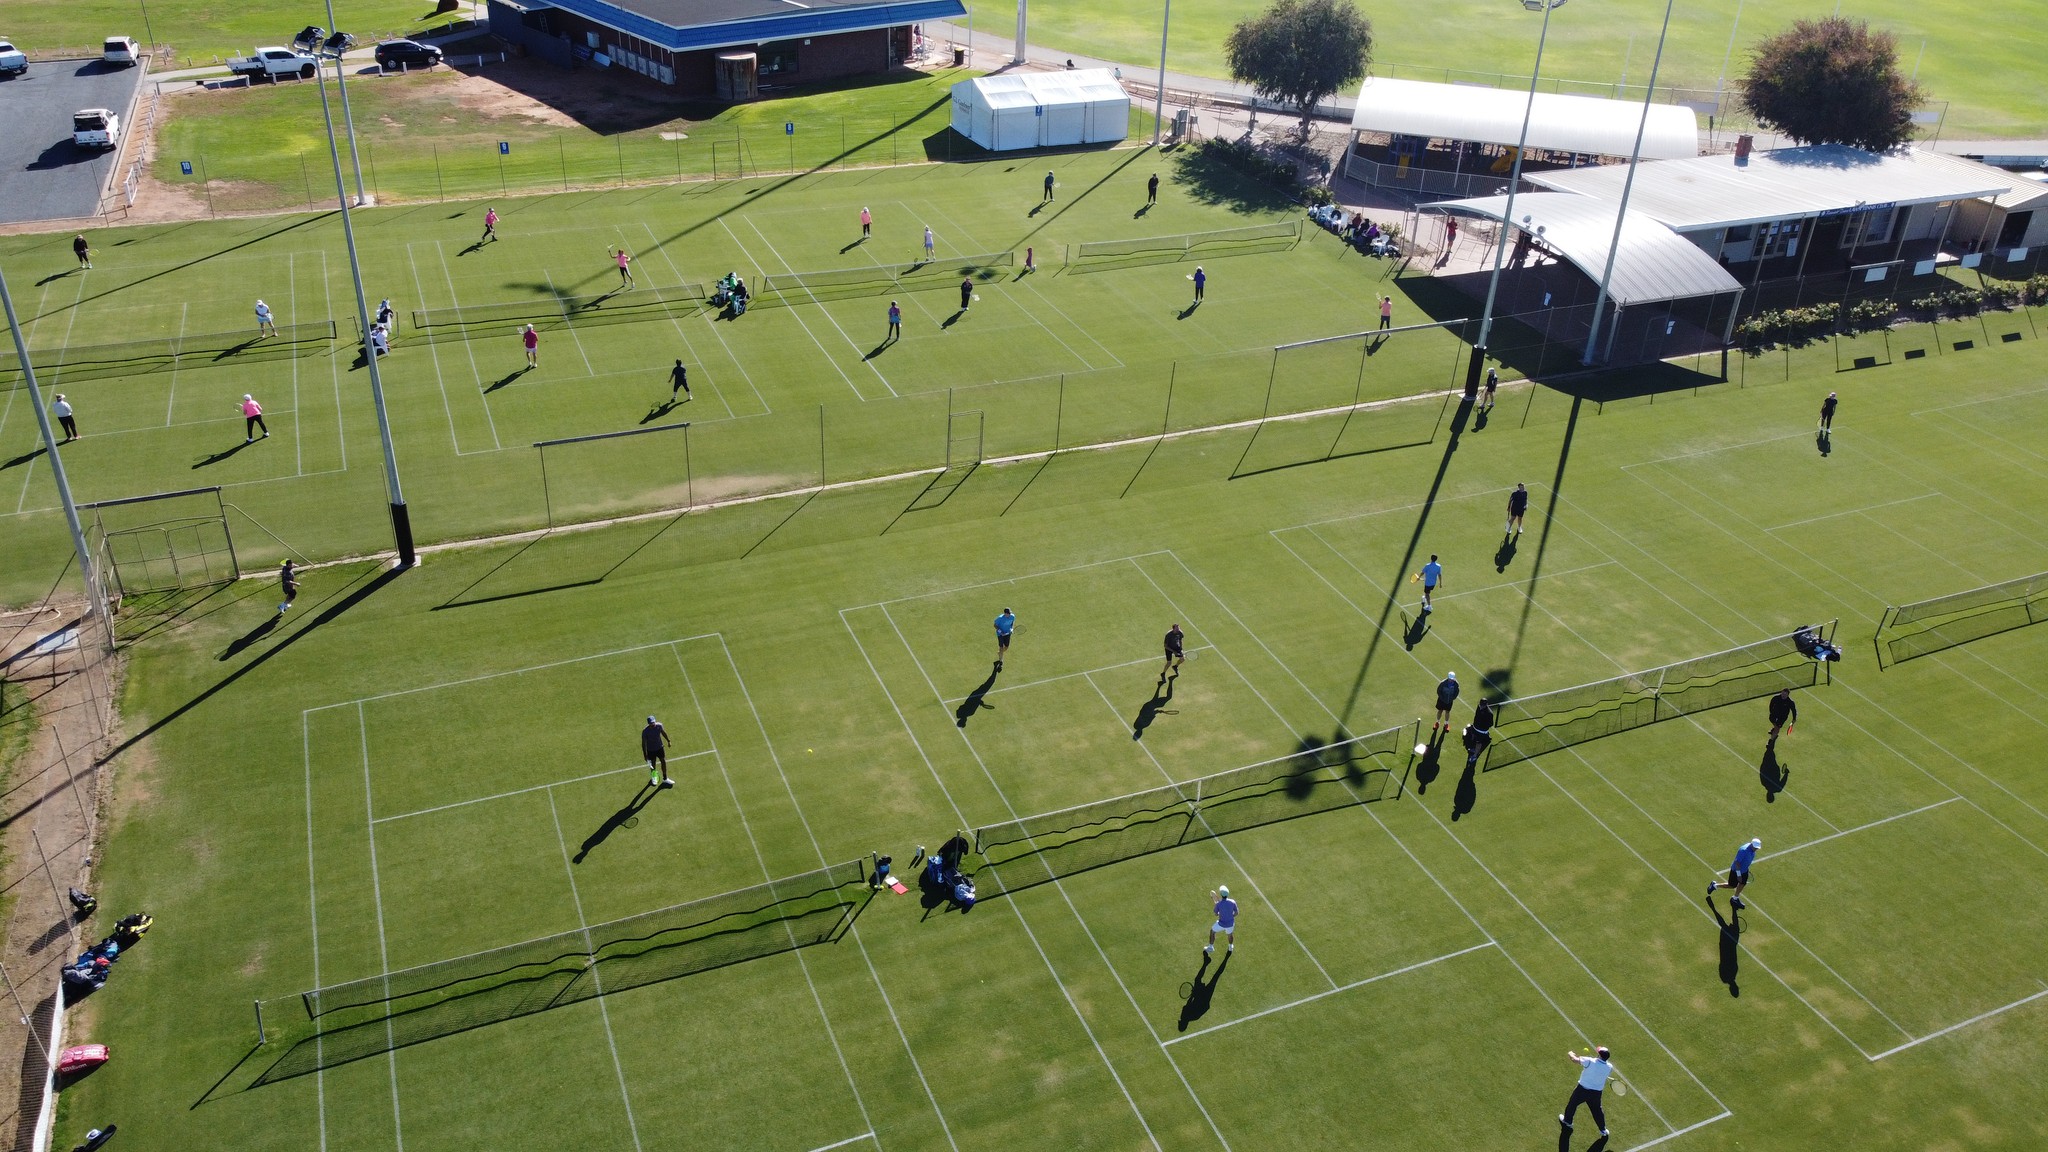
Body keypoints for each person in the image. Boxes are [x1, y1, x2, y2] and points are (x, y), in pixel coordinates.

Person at [1560, 1046, 1613, 1138]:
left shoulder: (1589, 1061)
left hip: (1582, 1090)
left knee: (1572, 1105)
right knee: (1597, 1111)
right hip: (1596, 1094)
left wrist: (1571, 1054)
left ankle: (1568, 1121)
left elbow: (1575, 1060)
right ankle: (1603, 1130)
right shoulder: (1609, 1067)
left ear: (1599, 1055)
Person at [1708, 838, 1762, 910]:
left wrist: (1746, 869)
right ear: (1751, 844)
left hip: (1744, 870)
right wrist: (1739, 875)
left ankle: (1735, 898)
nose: (1756, 849)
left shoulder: (1753, 851)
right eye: (1755, 847)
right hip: (1736, 871)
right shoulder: (1743, 850)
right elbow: (1737, 863)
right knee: (1732, 885)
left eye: (1757, 848)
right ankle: (1714, 885)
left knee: (1743, 883)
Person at [642, 715, 674, 788]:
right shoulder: (645, 731)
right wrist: (645, 754)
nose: (652, 724)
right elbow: (644, 743)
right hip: (651, 750)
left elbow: (663, 733)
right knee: (653, 764)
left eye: (653, 722)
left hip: (660, 747)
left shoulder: (659, 726)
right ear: (648, 723)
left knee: (663, 761)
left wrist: (668, 741)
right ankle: (654, 778)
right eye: (651, 723)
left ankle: (665, 778)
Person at [1463, 699, 1494, 769]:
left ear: (1486, 705)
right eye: (1481, 704)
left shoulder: (1489, 713)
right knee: (1473, 738)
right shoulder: (1478, 707)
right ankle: (1474, 749)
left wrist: (1482, 725)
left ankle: (1475, 755)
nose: (1481, 706)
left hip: (1481, 731)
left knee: (1478, 742)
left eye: (1483, 705)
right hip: (1475, 728)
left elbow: (1491, 724)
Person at [1205, 885, 1236, 954]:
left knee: (1212, 931)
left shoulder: (1218, 904)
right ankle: (1230, 946)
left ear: (1221, 895)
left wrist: (1220, 913)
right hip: (1230, 923)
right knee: (1230, 934)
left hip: (1221, 924)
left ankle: (1211, 947)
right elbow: (1236, 913)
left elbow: (1216, 914)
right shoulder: (1233, 902)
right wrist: (1230, 916)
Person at [1432, 671, 1459, 736]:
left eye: (1452, 679)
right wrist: (1442, 698)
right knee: (1440, 711)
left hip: (1449, 701)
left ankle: (1446, 724)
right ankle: (1437, 722)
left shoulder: (1456, 684)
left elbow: (1457, 692)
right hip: (1441, 700)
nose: (1450, 680)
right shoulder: (1443, 683)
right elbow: (1438, 691)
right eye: (1450, 678)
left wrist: (1452, 698)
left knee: (1447, 712)